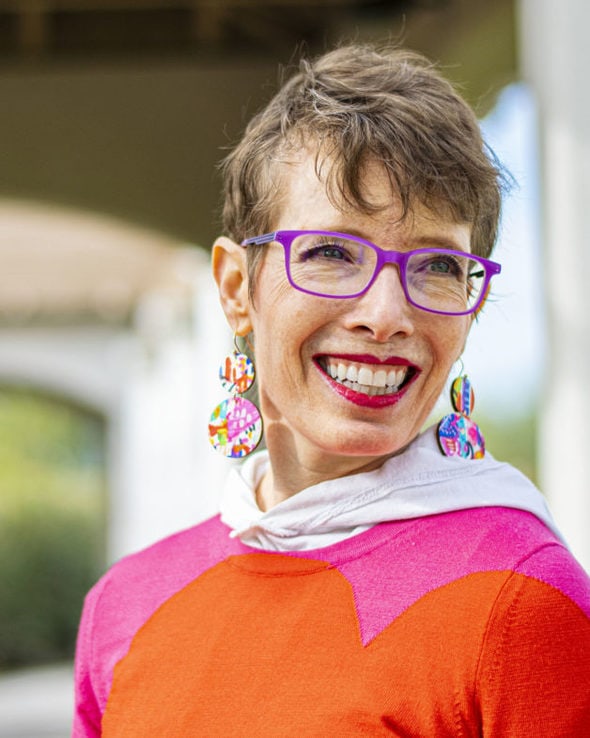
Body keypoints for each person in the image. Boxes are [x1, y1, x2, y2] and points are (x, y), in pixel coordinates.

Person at [73, 44, 590, 736]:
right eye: (330, 253)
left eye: (437, 264)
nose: (385, 315)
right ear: (236, 289)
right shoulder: (124, 607)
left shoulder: (519, 598)